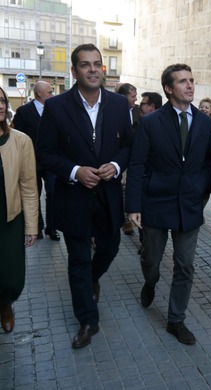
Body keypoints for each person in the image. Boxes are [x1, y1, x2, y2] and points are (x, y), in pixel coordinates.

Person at [36, 43, 132, 349]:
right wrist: (75, 170)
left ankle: (91, 278)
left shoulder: (119, 105)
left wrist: (116, 165)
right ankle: (88, 319)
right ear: (74, 71)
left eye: (97, 64)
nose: (92, 69)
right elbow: (46, 153)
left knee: (111, 245)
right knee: (77, 258)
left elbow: (129, 146)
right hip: (74, 196)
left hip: (108, 194)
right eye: (85, 64)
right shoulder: (56, 107)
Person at [125, 63, 211, 345]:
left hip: (189, 206)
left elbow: (207, 164)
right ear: (168, 88)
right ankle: (150, 282)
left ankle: (176, 320)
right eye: (182, 81)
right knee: (151, 259)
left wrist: (202, 197)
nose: (190, 86)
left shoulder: (202, 122)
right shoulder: (151, 123)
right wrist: (133, 205)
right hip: (155, 203)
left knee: (185, 265)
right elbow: (137, 165)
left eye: (191, 80)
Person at [0, 86, 39, 333]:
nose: (0, 106)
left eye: (2, 100)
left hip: (9, 219)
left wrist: (32, 226)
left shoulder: (21, 141)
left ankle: (5, 304)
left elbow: (28, 186)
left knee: (10, 272)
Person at [12, 81, 60, 241]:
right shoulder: (24, 111)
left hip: (51, 161)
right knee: (34, 194)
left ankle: (52, 228)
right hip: (31, 162)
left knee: (53, 193)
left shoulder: (54, 110)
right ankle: (37, 227)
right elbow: (17, 137)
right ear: (39, 94)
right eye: (50, 92)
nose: (52, 94)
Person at [117, 83, 140, 236]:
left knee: (127, 187)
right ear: (124, 97)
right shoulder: (114, 111)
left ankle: (128, 219)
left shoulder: (138, 111)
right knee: (122, 188)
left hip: (135, 156)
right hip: (119, 157)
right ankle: (124, 219)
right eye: (133, 96)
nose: (135, 99)